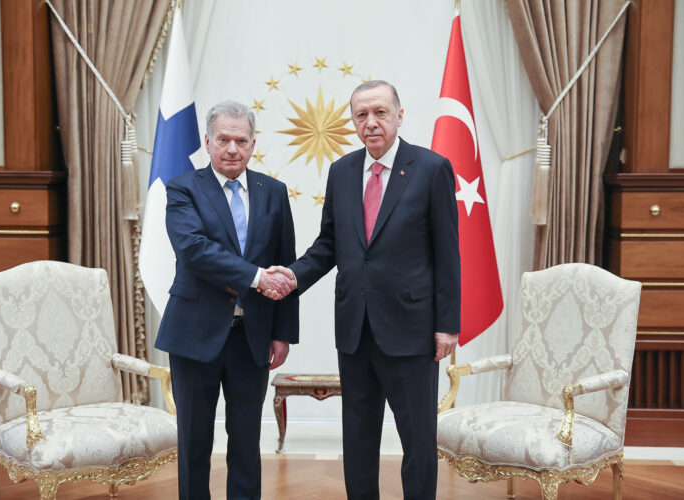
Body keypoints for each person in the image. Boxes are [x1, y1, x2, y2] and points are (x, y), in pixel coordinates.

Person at [269, 80, 460, 499]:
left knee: (418, 440)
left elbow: (448, 252)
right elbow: (329, 245)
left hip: (411, 330)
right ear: (353, 121)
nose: (370, 122)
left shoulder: (431, 169)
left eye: (380, 113)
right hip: (355, 330)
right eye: (361, 115)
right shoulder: (341, 172)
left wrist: (447, 325)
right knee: (357, 438)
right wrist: (293, 277)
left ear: (399, 115)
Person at [155, 100, 299, 500]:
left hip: (251, 337)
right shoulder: (183, 188)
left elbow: (284, 262)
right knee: (195, 441)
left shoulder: (273, 191)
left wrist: (283, 332)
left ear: (254, 144)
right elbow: (194, 250)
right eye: (223, 139)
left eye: (241, 140)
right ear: (207, 141)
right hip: (194, 335)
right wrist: (255, 278)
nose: (232, 148)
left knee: (246, 444)